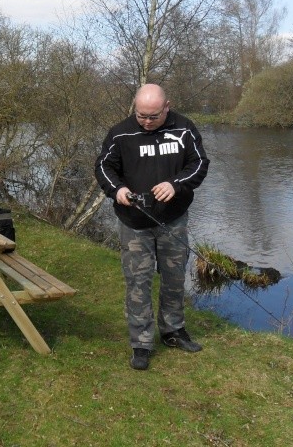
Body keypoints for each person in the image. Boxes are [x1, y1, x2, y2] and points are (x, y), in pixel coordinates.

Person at [94, 84, 209, 371]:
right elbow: (103, 167)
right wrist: (117, 190)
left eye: (153, 116)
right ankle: (141, 343)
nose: (146, 121)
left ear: (166, 107)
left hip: (173, 219)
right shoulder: (120, 133)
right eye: (141, 115)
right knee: (138, 282)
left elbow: (199, 163)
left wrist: (175, 184)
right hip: (134, 223)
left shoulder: (183, 129)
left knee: (173, 278)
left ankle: (173, 331)